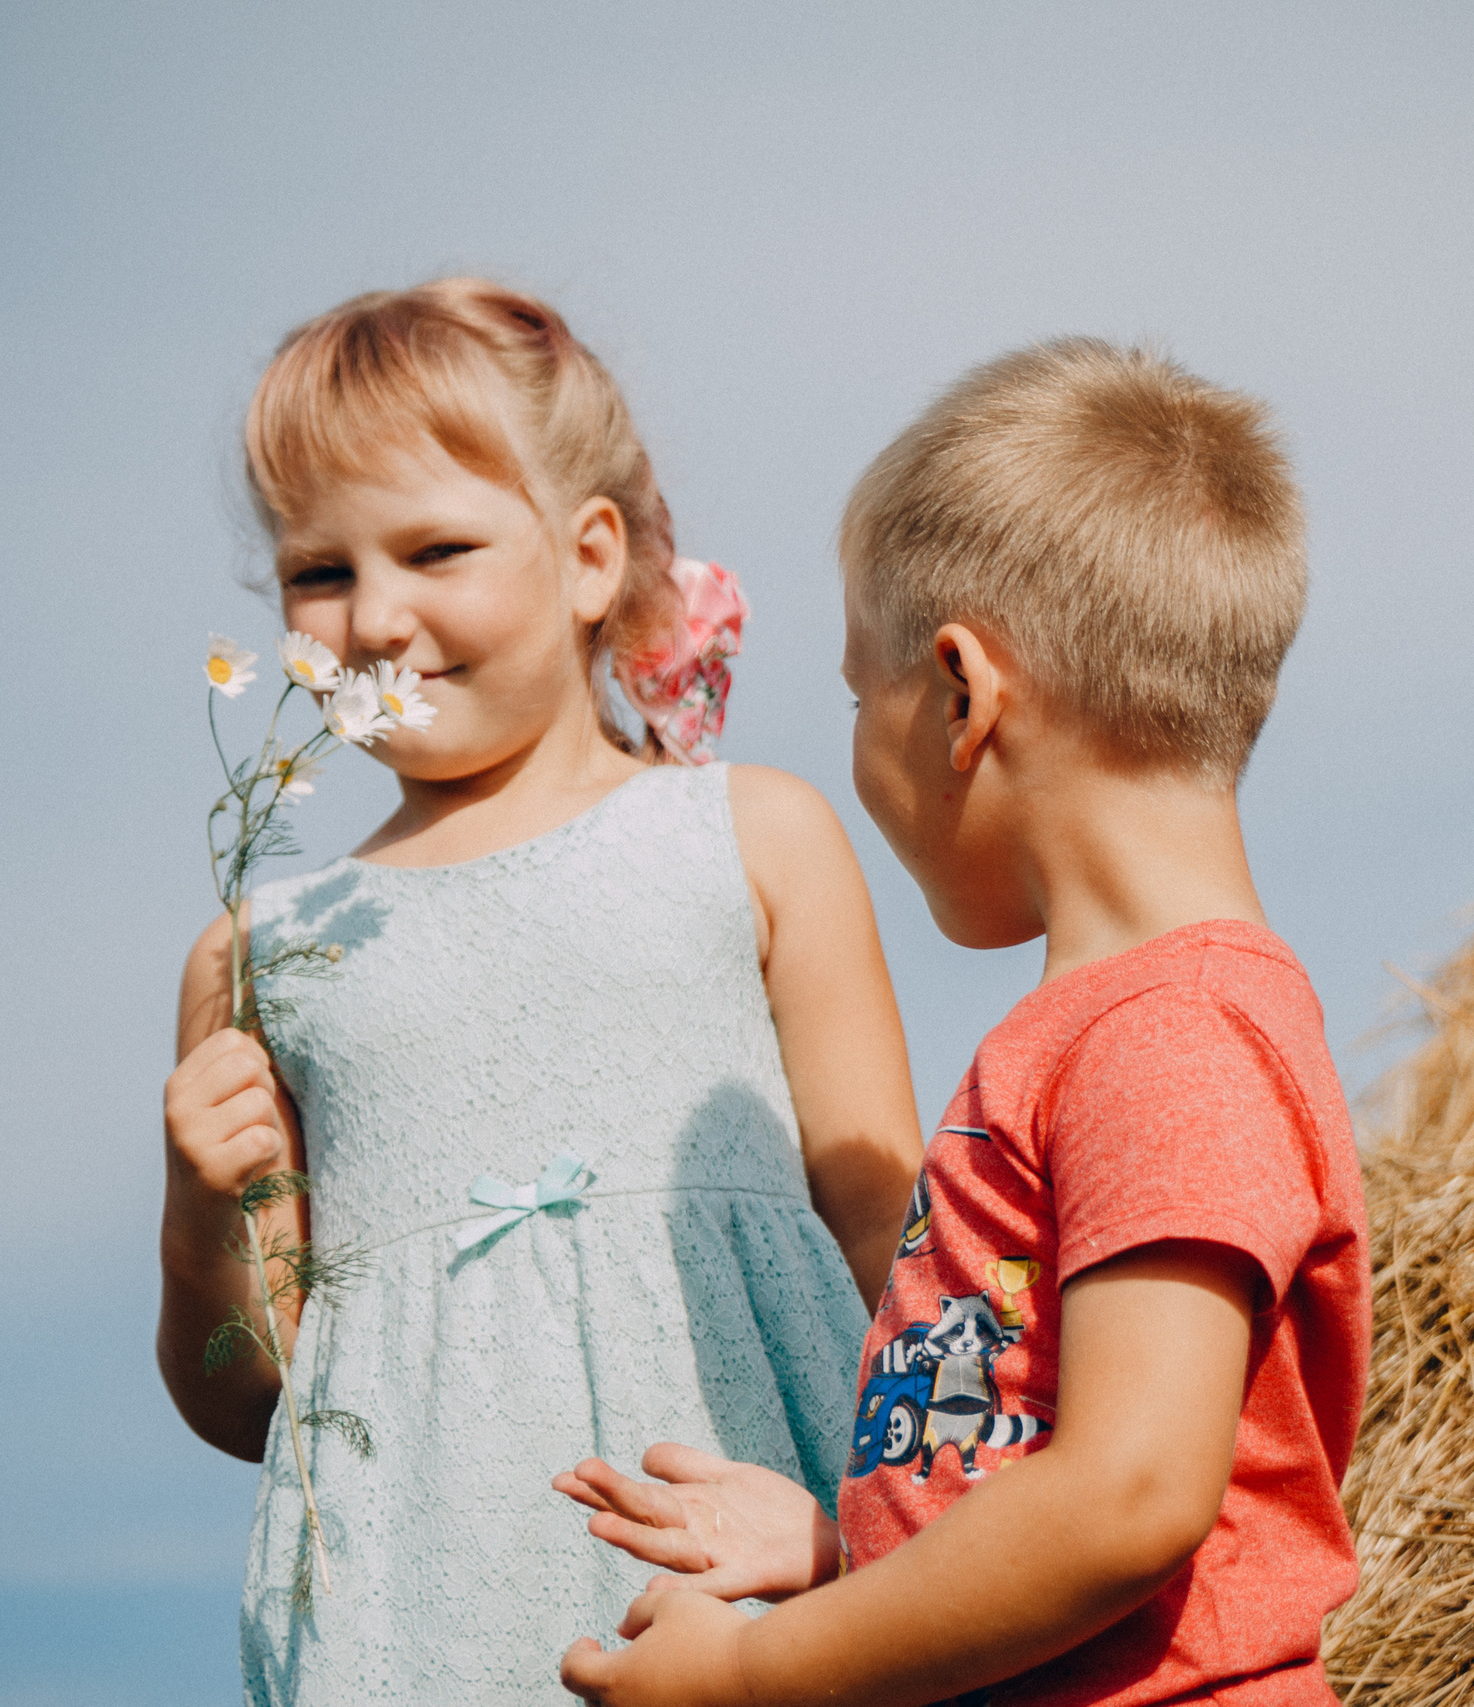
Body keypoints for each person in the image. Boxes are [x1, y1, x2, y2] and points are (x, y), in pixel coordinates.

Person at [556, 340, 1371, 1707]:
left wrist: (754, 1677)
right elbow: (1054, 1467)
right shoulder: (1124, 1028)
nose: (854, 743)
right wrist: (846, 1549)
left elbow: (1128, 1496)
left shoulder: (1166, 1038)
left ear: (959, 695)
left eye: (853, 693)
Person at [155, 278, 924, 1705]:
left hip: (744, 1563)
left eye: (436, 547)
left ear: (588, 559)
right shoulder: (262, 951)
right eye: (318, 573)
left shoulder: (749, 835)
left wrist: (932, 1536)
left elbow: (892, 1235)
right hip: (411, 1618)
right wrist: (204, 1203)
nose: (377, 616)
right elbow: (247, 1396)